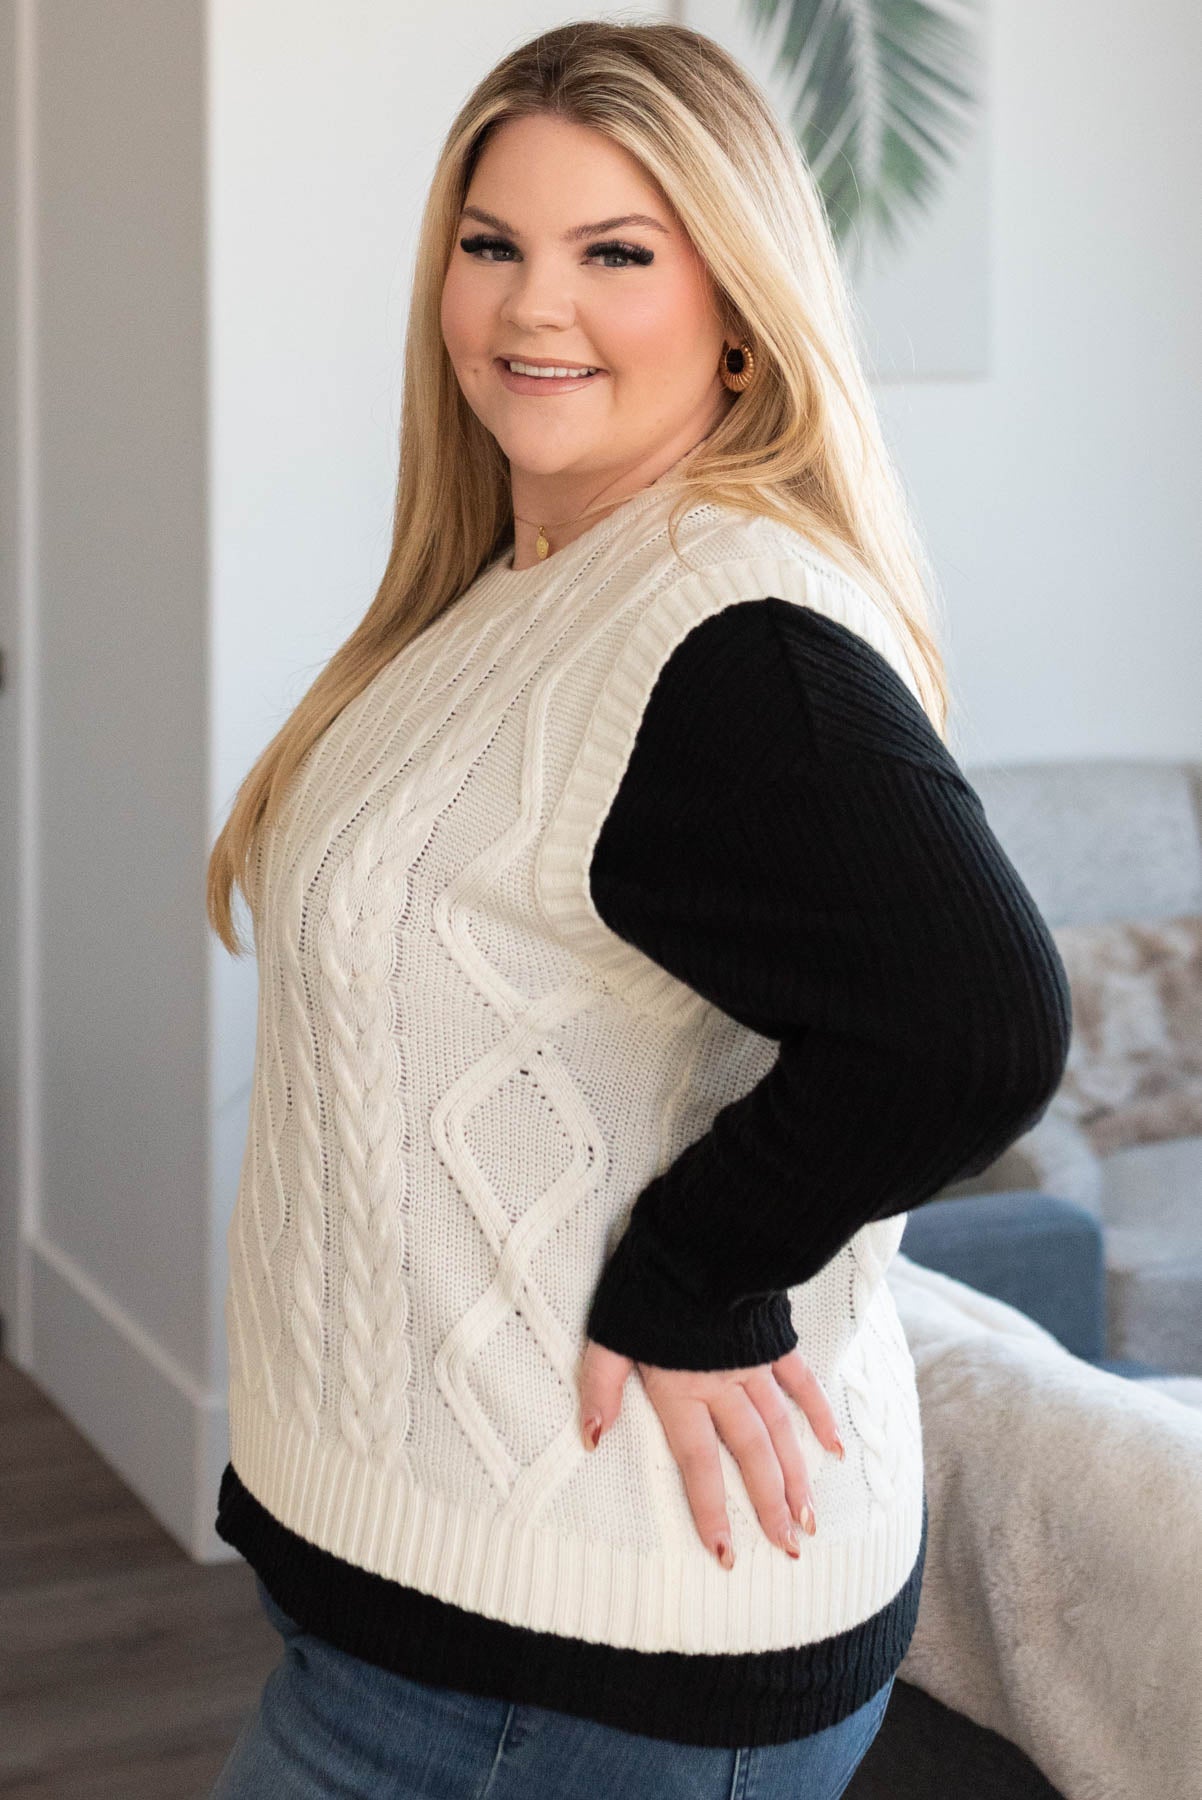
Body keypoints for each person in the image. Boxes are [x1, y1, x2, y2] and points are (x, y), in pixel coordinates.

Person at [205, 19, 1072, 1799]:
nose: (534, 309)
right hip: (429, 1610)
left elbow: (972, 1024)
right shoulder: (530, 585)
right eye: (491, 242)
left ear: (737, 307)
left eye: (617, 254)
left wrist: (696, 1276)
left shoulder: (728, 629)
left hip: (583, 1663)